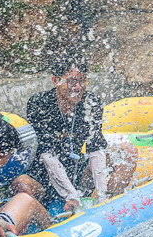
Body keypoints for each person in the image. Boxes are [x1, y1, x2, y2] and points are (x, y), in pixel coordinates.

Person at [18, 55, 135, 216]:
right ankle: (46, 222)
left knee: (127, 152)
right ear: (55, 80)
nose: (78, 87)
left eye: (82, 81)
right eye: (72, 81)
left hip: (76, 171)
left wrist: (101, 195)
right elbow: (46, 153)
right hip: (45, 177)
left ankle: (109, 208)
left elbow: (96, 147)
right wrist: (70, 194)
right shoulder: (40, 103)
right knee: (21, 182)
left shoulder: (90, 102)